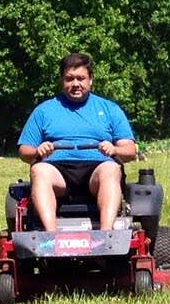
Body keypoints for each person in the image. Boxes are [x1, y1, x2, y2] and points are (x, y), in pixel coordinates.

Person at [16, 53, 139, 230]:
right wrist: (38, 151)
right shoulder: (44, 111)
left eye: (81, 78)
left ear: (90, 80)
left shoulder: (110, 109)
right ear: (62, 81)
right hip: (57, 170)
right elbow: (24, 150)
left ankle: (106, 234)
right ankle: (51, 235)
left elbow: (130, 150)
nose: (75, 84)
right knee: (39, 170)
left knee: (111, 169)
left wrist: (114, 150)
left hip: (97, 169)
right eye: (69, 79)